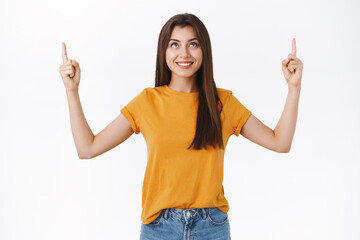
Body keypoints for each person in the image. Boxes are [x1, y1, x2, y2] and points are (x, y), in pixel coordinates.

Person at [59, 13, 303, 240]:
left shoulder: (223, 103)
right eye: (174, 44)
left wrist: (294, 88)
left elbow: (280, 143)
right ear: (163, 51)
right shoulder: (147, 102)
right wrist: (72, 91)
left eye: (193, 44)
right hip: (159, 228)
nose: (184, 53)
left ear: (204, 50)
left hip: (211, 227)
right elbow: (87, 148)